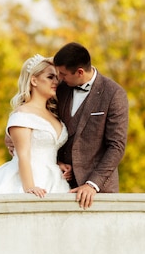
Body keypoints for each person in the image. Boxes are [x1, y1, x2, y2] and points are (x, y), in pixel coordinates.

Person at [0, 54, 70, 197]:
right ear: (34, 80)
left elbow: (44, 149)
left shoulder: (54, 115)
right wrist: (29, 187)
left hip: (55, 180)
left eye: (57, 77)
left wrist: (58, 164)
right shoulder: (22, 115)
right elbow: (24, 155)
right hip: (30, 179)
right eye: (50, 77)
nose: (56, 82)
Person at [53, 42, 128, 209]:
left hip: (98, 191)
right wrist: (56, 162)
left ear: (80, 72)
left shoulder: (114, 94)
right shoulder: (60, 89)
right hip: (59, 185)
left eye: (63, 74)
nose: (60, 78)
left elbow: (116, 146)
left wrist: (92, 184)